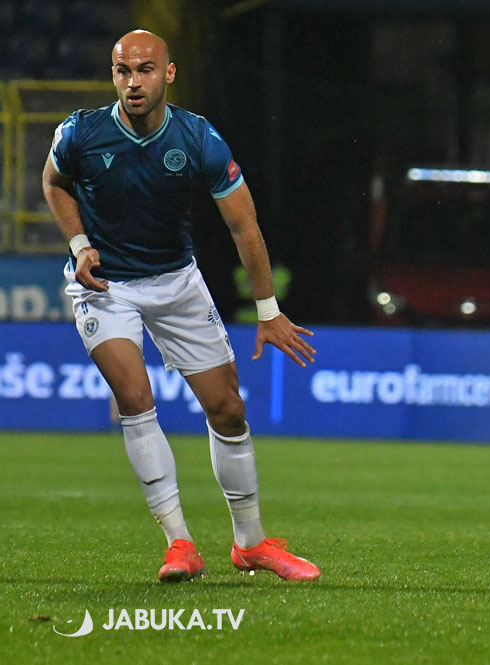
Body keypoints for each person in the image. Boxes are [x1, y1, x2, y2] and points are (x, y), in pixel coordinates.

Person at [42, 30, 321, 582]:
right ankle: (180, 543)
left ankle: (251, 544)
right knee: (134, 396)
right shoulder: (80, 132)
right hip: (106, 286)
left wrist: (268, 310)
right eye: (123, 71)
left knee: (228, 409)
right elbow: (54, 183)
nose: (133, 82)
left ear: (168, 74)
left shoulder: (198, 139)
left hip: (176, 282)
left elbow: (244, 226)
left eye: (145, 70)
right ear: (113, 75)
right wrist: (79, 245)